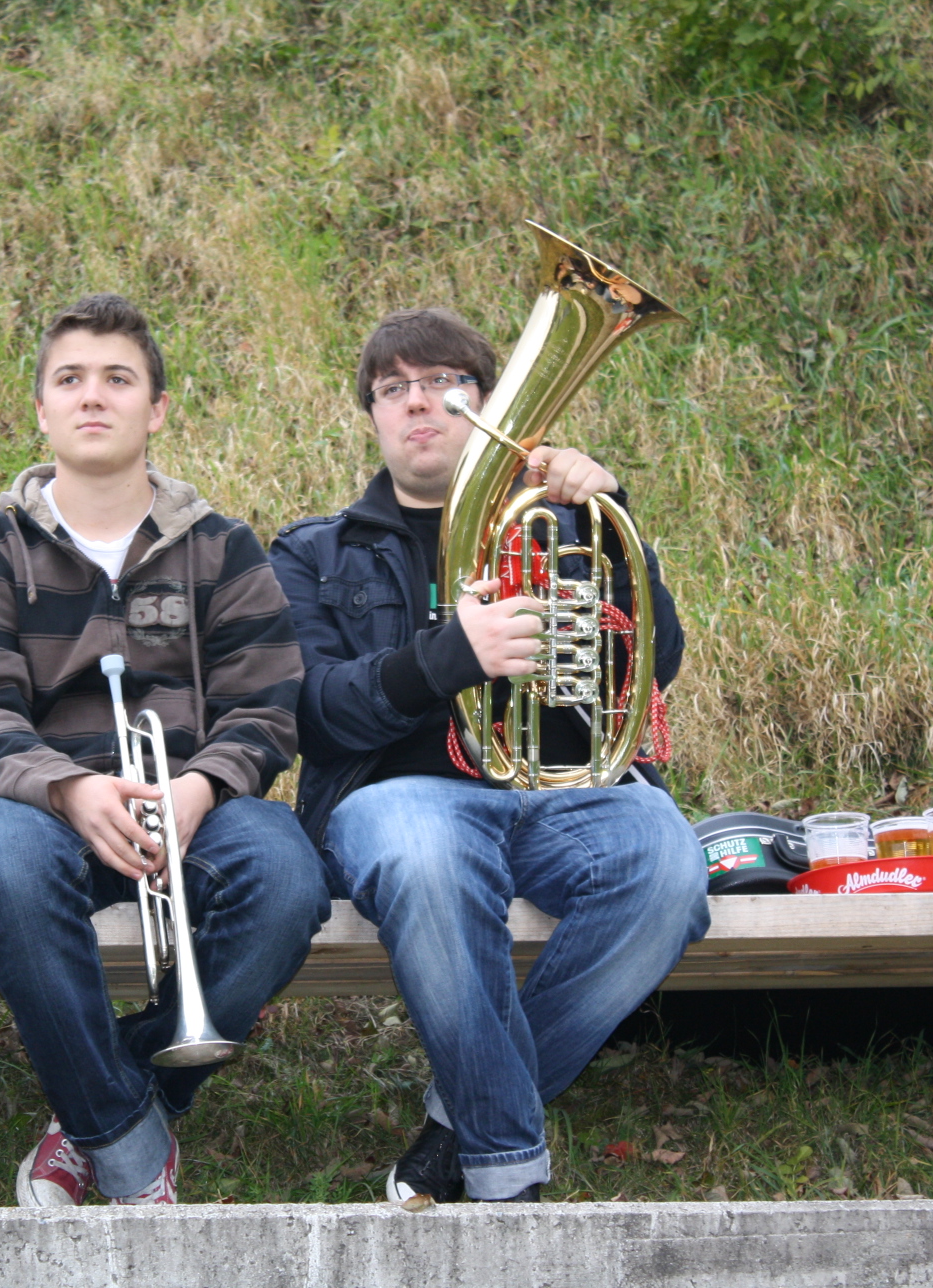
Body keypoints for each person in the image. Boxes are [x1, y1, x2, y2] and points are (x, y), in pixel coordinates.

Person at [267, 307, 709, 1203]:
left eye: (445, 382)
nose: (418, 402)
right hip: (403, 796)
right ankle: (507, 1170)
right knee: (426, 858)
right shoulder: (313, 552)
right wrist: (449, 658)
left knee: (668, 869)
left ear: (490, 404)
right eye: (394, 388)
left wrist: (615, 523)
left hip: (569, 794)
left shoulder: (567, 526)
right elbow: (311, 712)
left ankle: (457, 1122)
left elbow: (654, 668)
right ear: (373, 415)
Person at [0, 293, 330, 1207]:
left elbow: (267, 702)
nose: (93, 395)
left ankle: (104, 1108)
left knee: (287, 876)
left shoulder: (221, 547)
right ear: (42, 409)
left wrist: (203, 786)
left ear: (156, 409)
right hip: (47, 814)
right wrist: (69, 790)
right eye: (70, 379)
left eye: (118, 378)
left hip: (191, 807)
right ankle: (125, 1141)